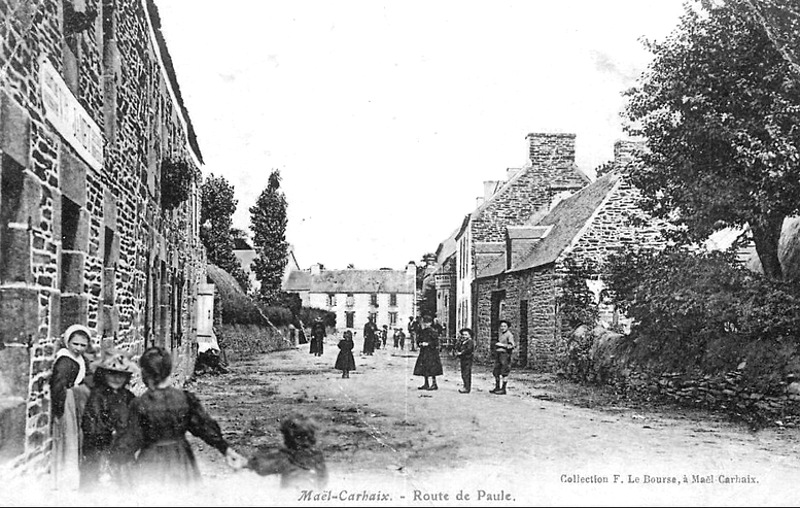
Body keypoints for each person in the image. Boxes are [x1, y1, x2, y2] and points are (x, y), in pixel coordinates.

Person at [112, 347, 246, 488]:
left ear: (146, 374)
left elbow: (130, 440)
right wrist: (226, 449)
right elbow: (204, 427)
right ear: (168, 371)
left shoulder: (140, 404)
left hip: (151, 461)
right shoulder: (185, 399)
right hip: (181, 459)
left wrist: (115, 462)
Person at [80, 345, 137, 491]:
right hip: (100, 451)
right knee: (98, 487)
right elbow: (91, 424)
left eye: (121, 375)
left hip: (123, 453)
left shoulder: (129, 398)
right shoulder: (98, 396)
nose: (116, 378)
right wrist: (108, 435)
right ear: (103, 374)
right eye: (111, 374)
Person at [50, 324, 93, 491]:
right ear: (67, 342)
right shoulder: (65, 360)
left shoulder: (81, 360)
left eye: (83, 345)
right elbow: (58, 385)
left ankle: (73, 472)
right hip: (67, 399)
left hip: (77, 399)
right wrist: (59, 409)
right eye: (75, 344)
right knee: (68, 434)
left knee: (76, 434)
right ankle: (65, 476)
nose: (78, 348)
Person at [246, 414, 328, 489]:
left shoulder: (286, 457)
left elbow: (262, 469)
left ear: (291, 438)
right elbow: (323, 479)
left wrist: (251, 461)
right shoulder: (318, 457)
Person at [413, 315, 443, 390]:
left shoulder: (433, 331)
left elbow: (436, 342)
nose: (425, 324)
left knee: (432, 368)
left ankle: (434, 383)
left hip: (432, 352)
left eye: (427, 323)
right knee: (424, 367)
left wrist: (428, 344)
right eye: (424, 322)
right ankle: (426, 383)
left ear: (430, 323)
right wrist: (419, 343)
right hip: (424, 352)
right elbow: (419, 339)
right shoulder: (423, 331)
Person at [491, 320, 515, 395]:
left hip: (505, 355)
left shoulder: (509, 335)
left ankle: (503, 389)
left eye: (504, 326)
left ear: (507, 327)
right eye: (501, 326)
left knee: (504, 371)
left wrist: (501, 345)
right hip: (498, 354)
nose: (502, 328)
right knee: (496, 371)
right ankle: (497, 387)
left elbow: (511, 346)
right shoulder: (501, 334)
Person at [454, 328, 475, 394]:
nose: (464, 336)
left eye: (466, 335)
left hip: (468, 359)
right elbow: (457, 347)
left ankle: (467, 387)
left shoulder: (470, 342)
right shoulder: (462, 341)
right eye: (463, 335)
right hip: (463, 359)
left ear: (469, 335)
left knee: (466, 373)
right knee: (463, 373)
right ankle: (465, 385)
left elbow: (468, 349)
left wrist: (461, 353)